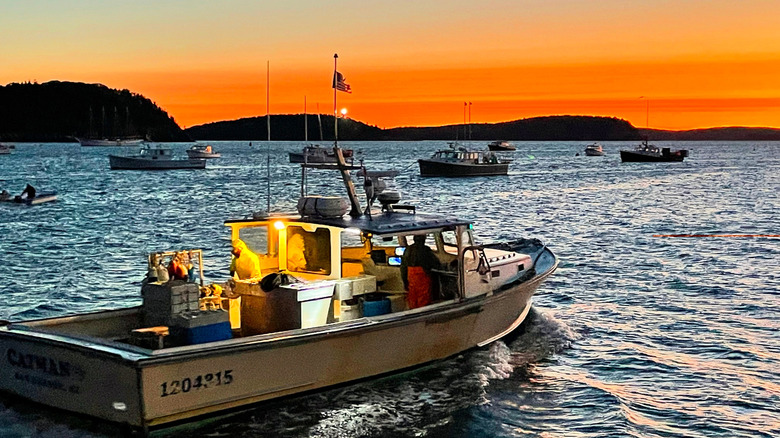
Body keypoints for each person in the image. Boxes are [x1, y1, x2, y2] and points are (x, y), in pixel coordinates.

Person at [400, 234, 441, 309]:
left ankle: (412, 314)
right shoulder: (426, 250)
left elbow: (403, 267)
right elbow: (436, 264)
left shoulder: (408, 250)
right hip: (423, 277)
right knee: (423, 298)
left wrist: (405, 282)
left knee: (412, 297)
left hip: (411, 277)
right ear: (424, 239)